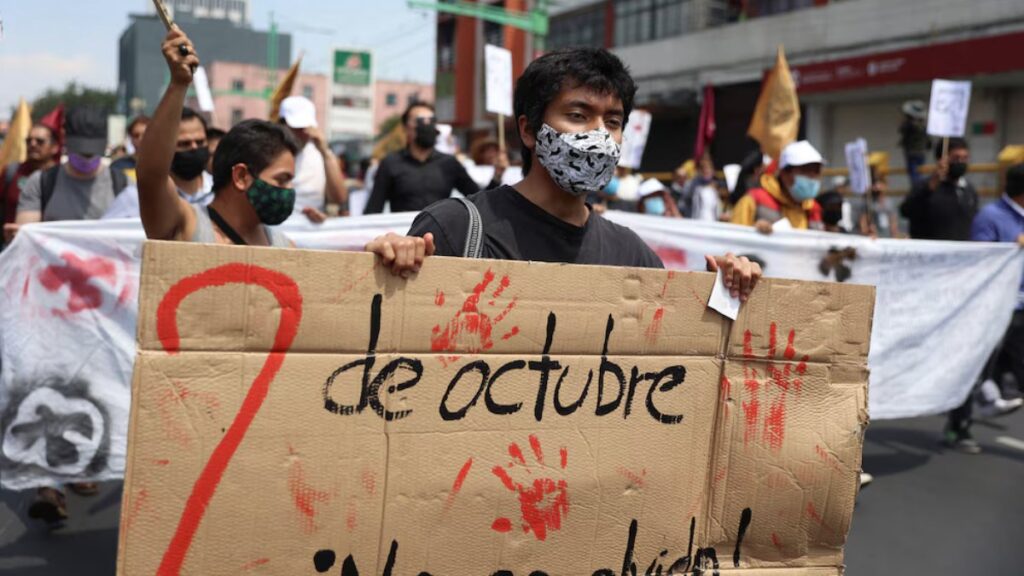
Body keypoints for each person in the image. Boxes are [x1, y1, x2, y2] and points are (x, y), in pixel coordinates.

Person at [364, 47, 760, 302]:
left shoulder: (633, 256)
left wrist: (724, 295)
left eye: (613, 121)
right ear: (529, 130)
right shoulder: (455, 230)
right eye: (578, 116)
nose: (600, 135)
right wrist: (382, 269)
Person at [137, 26, 297, 247]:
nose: (289, 191)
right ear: (241, 176)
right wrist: (178, 84)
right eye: (282, 180)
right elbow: (150, 175)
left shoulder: (285, 249)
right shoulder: (185, 227)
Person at [943, 164, 1024, 453]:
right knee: (974, 366)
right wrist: (1013, 247)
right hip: (997, 307)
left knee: (993, 370)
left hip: (1020, 308)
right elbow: (981, 260)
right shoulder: (991, 217)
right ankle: (958, 426)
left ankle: (988, 397)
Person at [8, 107, 128, 242]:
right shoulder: (41, 183)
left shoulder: (123, 185)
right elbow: (27, 236)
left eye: (91, 153)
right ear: (65, 141)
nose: (86, 158)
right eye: (81, 151)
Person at [363, 101, 480, 214]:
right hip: (405, 232)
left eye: (431, 120)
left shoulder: (449, 163)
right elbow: (374, 208)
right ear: (406, 128)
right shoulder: (391, 163)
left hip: (440, 232)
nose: (427, 125)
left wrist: (496, 176)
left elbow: (479, 198)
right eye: (420, 121)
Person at [102, 107, 214, 219]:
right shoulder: (138, 198)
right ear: (163, 148)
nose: (194, 148)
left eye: (200, 142)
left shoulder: (221, 192)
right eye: (184, 144)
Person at [278, 96, 346, 223]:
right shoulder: (266, 152)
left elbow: (339, 199)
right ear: (282, 125)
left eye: (306, 127)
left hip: (309, 233)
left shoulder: (321, 155)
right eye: (296, 128)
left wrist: (326, 153)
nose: (303, 133)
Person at [731, 140, 824, 233]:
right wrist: (753, 232)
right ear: (784, 173)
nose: (811, 178)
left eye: (816, 172)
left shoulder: (812, 208)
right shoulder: (753, 200)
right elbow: (734, 240)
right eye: (805, 171)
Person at [900, 137, 978, 241]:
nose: (961, 162)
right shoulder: (926, 186)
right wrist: (930, 186)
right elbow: (906, 211)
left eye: (965, 158)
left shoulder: (968, 189)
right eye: (956, 158)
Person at [1, 124, 61, 242]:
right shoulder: (11, 171)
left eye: (40, 141)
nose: (33, 144)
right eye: (29, 140)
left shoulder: (62, 177)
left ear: (54, 147)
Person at [857, 169, 901, 238]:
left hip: (887, 236)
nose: (877, 187)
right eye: (875, 184)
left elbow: (893, 222)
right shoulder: (867, 202)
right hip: (874, 237)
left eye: (880, 183)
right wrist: (866, 231)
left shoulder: (890, 202)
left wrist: (895, 235)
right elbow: (863, 222)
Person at [899, 100, 930, 187]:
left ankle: (916, 188)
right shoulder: (922, 125)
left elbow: (902, 130)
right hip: (920, 151)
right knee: (918, 172)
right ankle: (917, 186)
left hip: (912, 151)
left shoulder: (910, 125)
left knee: (914, 173)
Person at [686, 155, 726, 222]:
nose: (706, 171)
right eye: (703, 168)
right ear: (699, 170)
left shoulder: (718, 183)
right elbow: (689, 198)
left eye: (708, 168)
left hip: (714, 220)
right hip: (697, 221)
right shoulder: (693, 184)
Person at [111, 115, 149, 181]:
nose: (140, 139)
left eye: (145, 134)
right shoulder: (118, 166)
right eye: (136, 135)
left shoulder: (165, 166)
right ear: (131, 138)